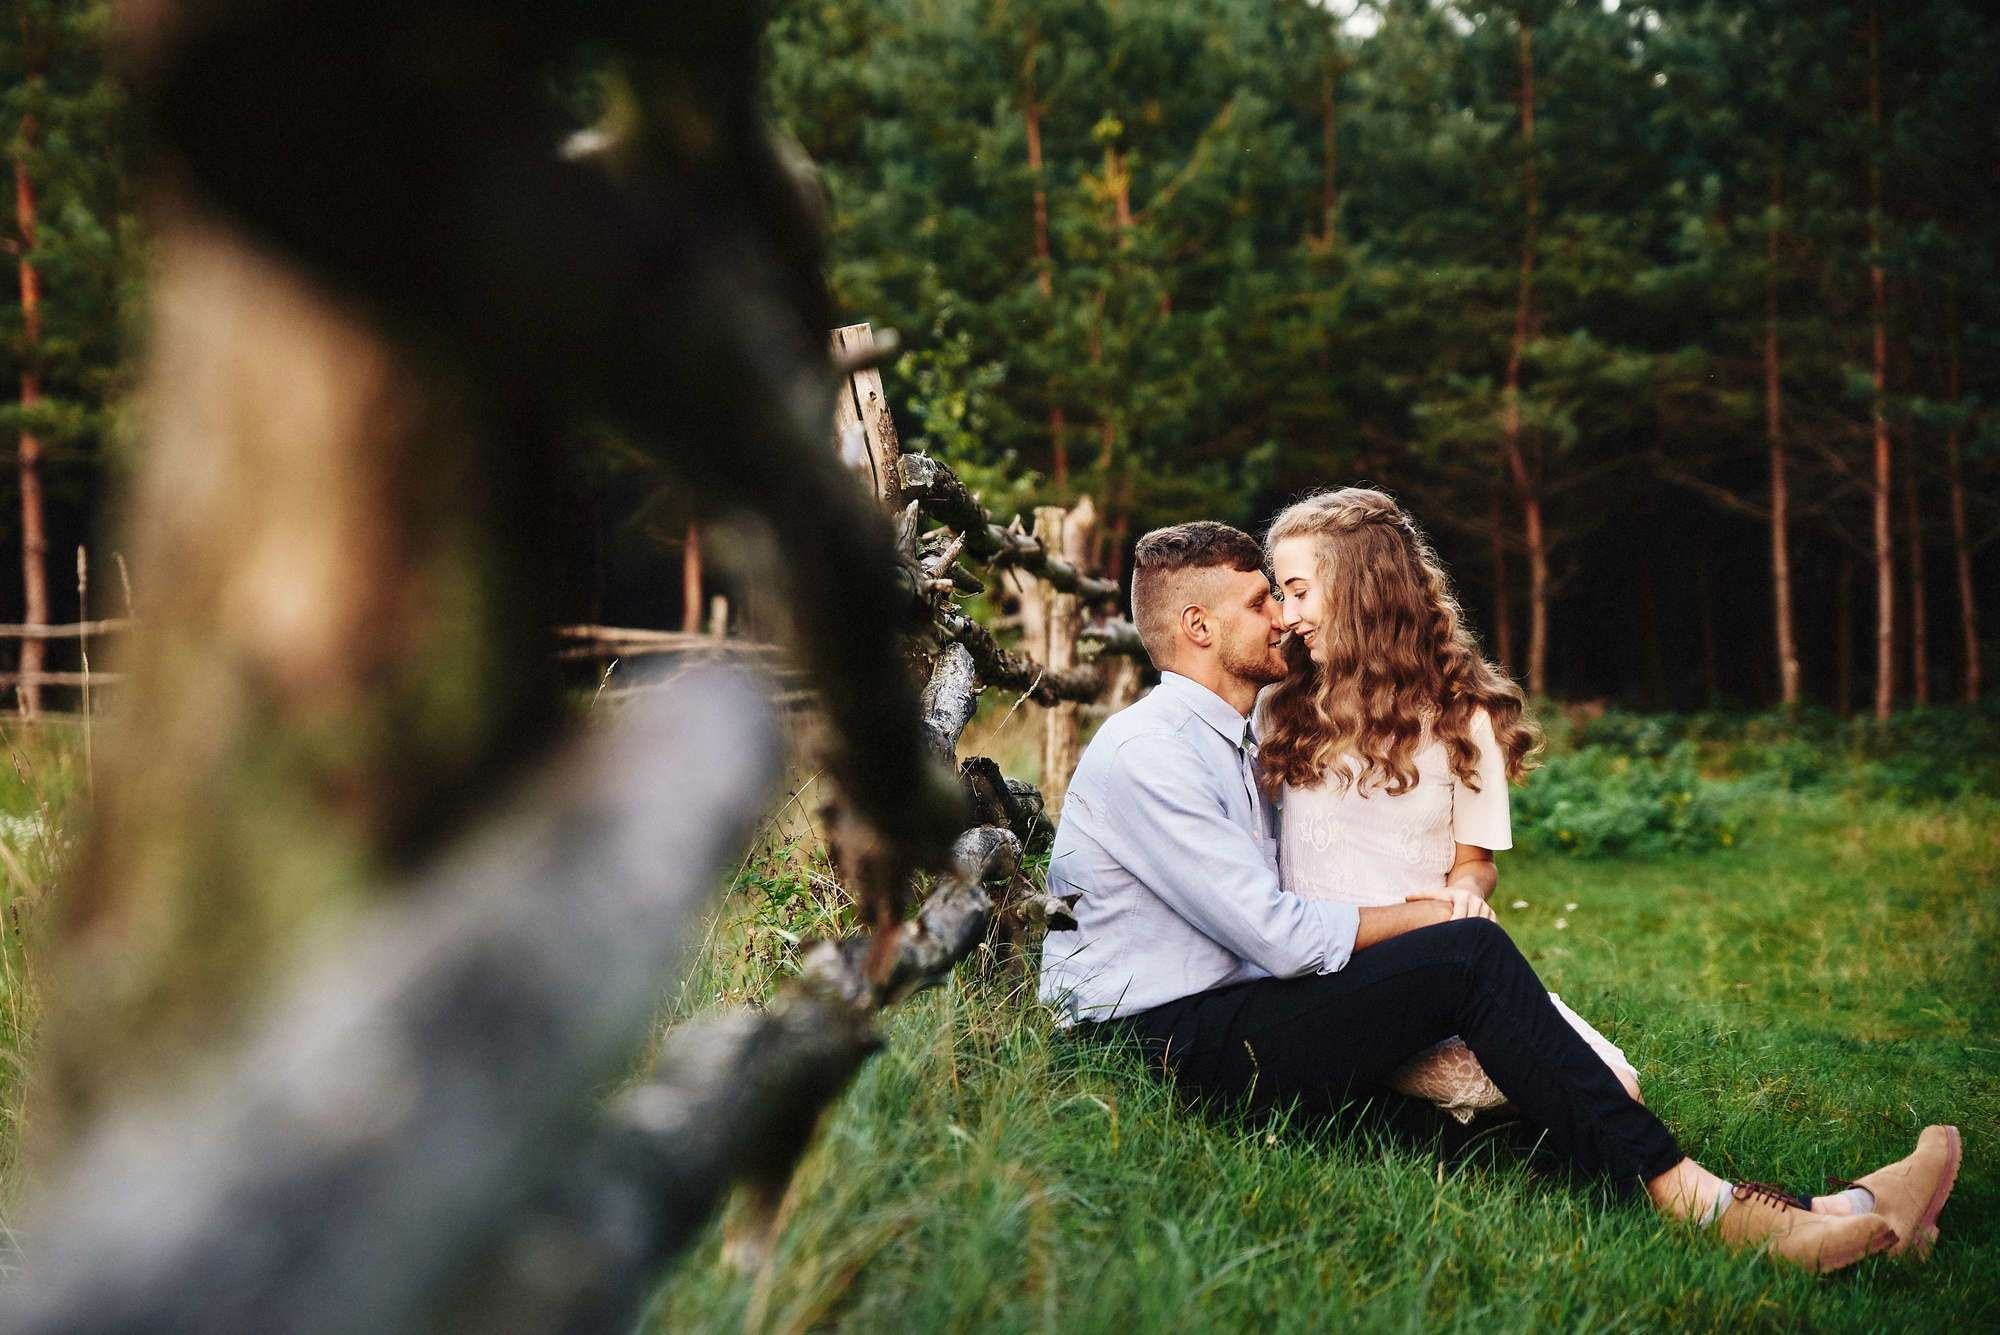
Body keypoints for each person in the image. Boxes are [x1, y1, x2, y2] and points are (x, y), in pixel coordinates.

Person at [1037, 518, 1959, 1273]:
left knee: (1535, 1076)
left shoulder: (1227, 736)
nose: (1279, 616)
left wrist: (1439, 908)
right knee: (1469, 961)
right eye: (1258, 600)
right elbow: (1279, 935)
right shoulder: (1155, 749)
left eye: (1286, 593)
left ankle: (1838, 1213)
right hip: (1149, 1045)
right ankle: (1724, 1210)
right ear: (1199, 628)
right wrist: (1433, 912)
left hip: (1218, 1012)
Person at [1258, 486, 1636, 1119]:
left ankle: (1382, 1094)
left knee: (1618, 1088)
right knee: (1542, 1093)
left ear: (1361, 589)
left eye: (1299, 591)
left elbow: (1475, 861)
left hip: (1433, 965)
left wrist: (1467, 893)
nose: (1285, 614)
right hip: (1319, 971)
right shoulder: (1278, 708)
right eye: (1281, 593)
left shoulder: (1467, 714)